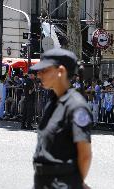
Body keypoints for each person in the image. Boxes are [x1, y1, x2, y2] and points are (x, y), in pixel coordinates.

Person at [31, 48, 92, 189]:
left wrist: (75, 183)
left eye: (44, 70)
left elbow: (85, 155)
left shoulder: (76, 107)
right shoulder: (53, 102)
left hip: (62, 184)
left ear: (61, 71)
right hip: (43, 182)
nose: (39, 75)